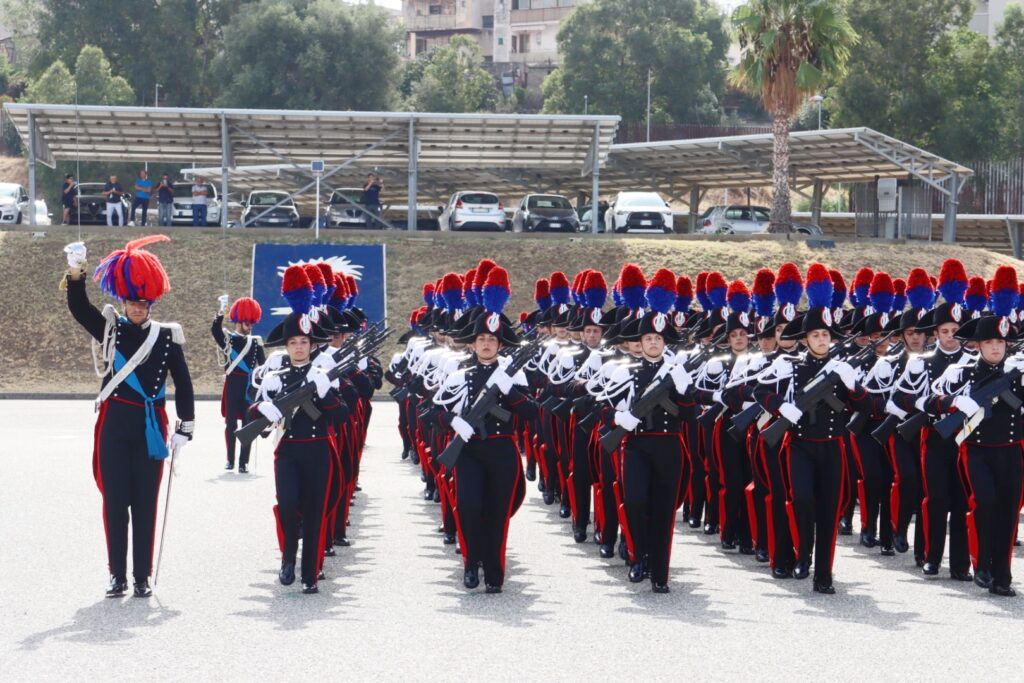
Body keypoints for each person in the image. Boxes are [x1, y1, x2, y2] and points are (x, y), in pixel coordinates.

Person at [62, 235, 194, 599]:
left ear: (151, 303)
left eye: (144, 303)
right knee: (115, 502)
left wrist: (186, 425)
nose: (139, 308)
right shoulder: (111, 328)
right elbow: (79, 308)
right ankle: (116, 575)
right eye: (134, 302)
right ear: (124, 300)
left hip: (151, 428)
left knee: (146, 504)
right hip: (115, 427)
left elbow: (183, 383)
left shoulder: (166, 336)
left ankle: (141, 577)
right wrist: (76, 272)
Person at [434, 266, 538, 593]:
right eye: (481, 339)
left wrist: (510, 391)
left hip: (502, 450)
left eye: (492, 339)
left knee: (497, 512)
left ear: (500, 344)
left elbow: (531, 413)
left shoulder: (512, 376)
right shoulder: (459, 375)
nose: (487, 344)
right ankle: (470, 563)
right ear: (473, 343)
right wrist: (455, 421)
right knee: (467, 505)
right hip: (468, 451)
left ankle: (493, 570)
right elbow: (434, 411)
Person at [249, 265, 349, 594]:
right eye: (293, 342)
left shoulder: (322, 373)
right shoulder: (276, 373)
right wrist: (262, 407)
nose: (299, 347)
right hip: (288, 450)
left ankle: (311, 572)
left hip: (319, 449)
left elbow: (340, 416)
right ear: (287, 345)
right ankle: (288, 558)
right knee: (289, 505)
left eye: (304, 342)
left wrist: (325, 392)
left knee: (317, 511)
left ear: (311, 343)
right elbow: (256, 410)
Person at [929, 265, 1023, 597]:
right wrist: (957, 402)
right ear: (978, 344)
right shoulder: (962, 371)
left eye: (1001, 341)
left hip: (1011, 450)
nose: (996, 347)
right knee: (985, 503)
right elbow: (930, 401)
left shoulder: (1017, 372)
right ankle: (980, 561)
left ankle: (1002, 576)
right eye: (990, 341)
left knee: (1009, 511)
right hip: (977, 450)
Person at [602, 268, 693, 593]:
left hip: (668, 446)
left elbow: (690, 413)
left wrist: (684, 392)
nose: (653, 342)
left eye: (658, 338)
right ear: (639, 343)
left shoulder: (676, 370)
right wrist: (619, 419)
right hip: (637, 446)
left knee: (664, 511)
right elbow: (605, 406)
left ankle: (660, 573)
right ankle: (638, 554)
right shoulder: (625, 371)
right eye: (648, 339)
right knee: (636, 501)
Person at [212, 294, 265, 472]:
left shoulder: (256, 342)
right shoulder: (228, 339)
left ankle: (244, 462)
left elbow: (262, 367)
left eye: (252, 323)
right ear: (238, 321)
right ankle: (230, 459)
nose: (250, 326)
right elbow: (215, 330)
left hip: (249, 387)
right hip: (232, 385)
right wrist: (221, 310)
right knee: (231, 424)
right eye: (247, 322)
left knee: (248, 425)